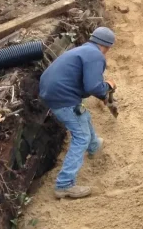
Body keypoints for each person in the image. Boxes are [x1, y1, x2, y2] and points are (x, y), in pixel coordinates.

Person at [39, 27, 117, 199]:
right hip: (63, 99)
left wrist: (102, 91)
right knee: (81, 136)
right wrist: (107, 87)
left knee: (83, 116)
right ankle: (64, 184)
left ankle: (94, 145)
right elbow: (92, 86)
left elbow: (85, 83)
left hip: (51, 93)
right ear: (107, 47)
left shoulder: (83, 50)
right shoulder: (96, 56)